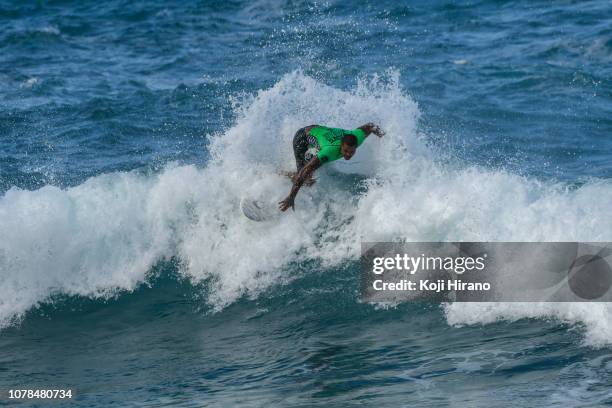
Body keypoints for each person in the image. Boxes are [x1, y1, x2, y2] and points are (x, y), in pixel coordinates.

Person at [278, 122, 385, 211]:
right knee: (306, 179)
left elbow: (371, 126)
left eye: (352, 152)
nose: (348, 154)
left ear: (356, 147)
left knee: (311, 172)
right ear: (341, 146)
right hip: (302, 137)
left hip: (318, 131)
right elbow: (305, 171)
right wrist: (291, 197)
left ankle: (292, 172)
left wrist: (383, 136)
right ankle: (280, 174)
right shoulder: (329, 151)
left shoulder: (357, 137)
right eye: (346, 151)